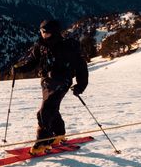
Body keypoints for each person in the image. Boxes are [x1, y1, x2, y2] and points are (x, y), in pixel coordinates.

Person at [12, 19, 88, 155]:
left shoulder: (67, 47)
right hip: (47, 82)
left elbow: (81, 66)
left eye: (46, 33)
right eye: (42, 32)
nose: (43, 35)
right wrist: (19, 69)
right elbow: (33, 61)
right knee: (52, 109)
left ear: (54, 33)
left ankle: (43, 142)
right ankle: (58, 134)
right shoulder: (40, 46)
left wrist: (80, 86)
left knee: (45, 112)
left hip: (62, 82)